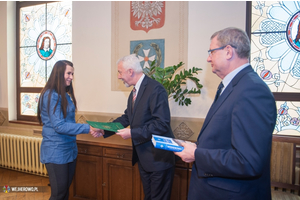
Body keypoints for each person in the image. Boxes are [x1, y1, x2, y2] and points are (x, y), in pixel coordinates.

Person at [175, 27, 277, 200]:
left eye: (211, 52)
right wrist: (196, 148)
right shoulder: (233, 86)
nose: (208, 58)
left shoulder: (251, 90)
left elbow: (248, 161)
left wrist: (196, 154)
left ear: (228, 51)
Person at [97, 54, 175, 200]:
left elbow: (161, 124)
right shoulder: (135, 92)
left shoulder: (155, 89)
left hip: (159, 159)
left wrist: (133, 133)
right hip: (144, 159)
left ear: (130, 71)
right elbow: (127, 117)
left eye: (120, 72)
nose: (119, 76)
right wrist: (104, 129)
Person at [37, 60, 102, 200]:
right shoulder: (50, 95)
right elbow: (59, 126)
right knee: (58, 194)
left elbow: (68, 122)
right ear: (59, 73)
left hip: (69, 149)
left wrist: (89, 127)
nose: (71, 77)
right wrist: (87, 128)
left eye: (72, 74)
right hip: (56, 151)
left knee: (65, 191)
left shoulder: (64, 94)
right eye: (69, 73)